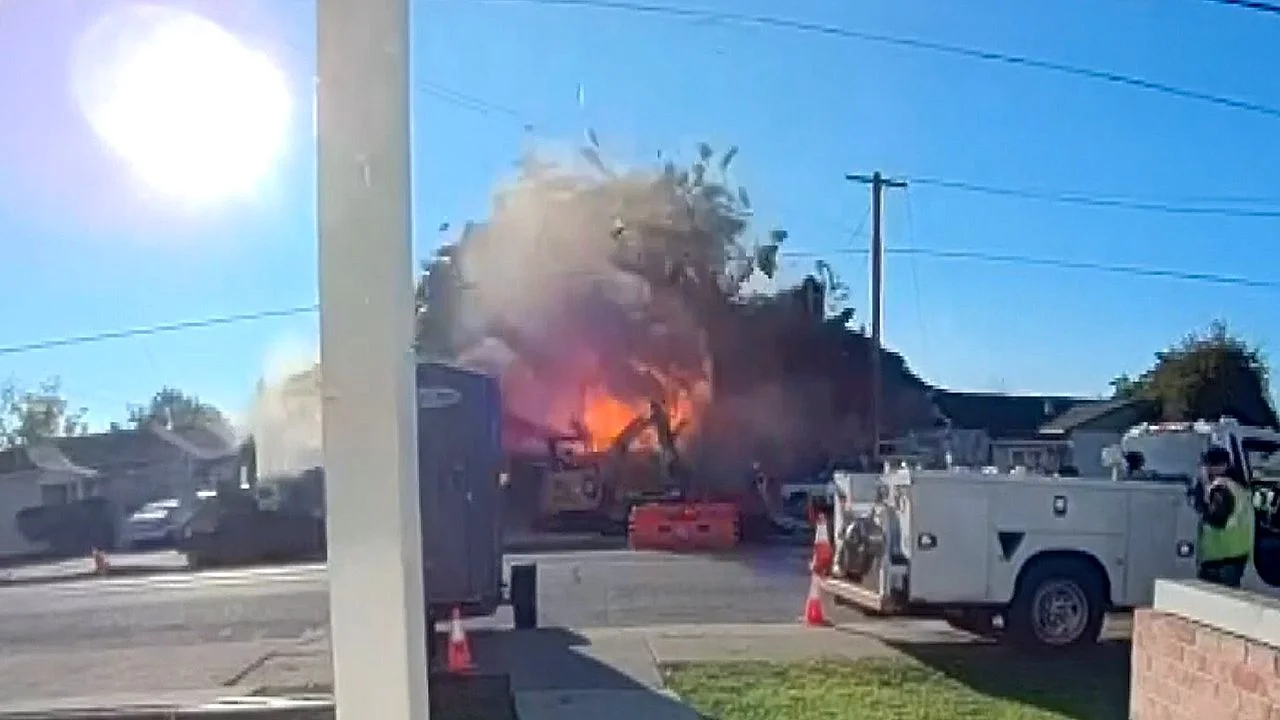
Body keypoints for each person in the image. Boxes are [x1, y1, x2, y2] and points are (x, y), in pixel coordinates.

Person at [1188, 446, 1255, 588]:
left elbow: (1216, 518)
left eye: (1206, 465)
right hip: (1235, 555)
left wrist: (1204, 490)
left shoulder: (1220, 488)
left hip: (1220, 559)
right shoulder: (1237, 485)